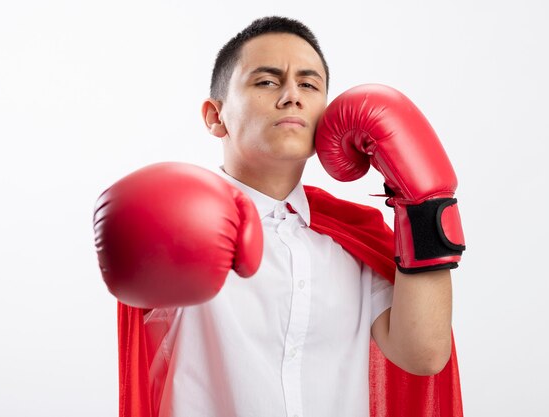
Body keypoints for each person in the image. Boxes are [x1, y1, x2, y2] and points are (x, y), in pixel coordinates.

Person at [94, 16, 465, 417]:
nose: (292, 96)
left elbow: (423, 355)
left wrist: (425, 202)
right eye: (266, 81)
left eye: (309, 84)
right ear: (215, 116)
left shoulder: (355, 236)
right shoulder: (174, 220)